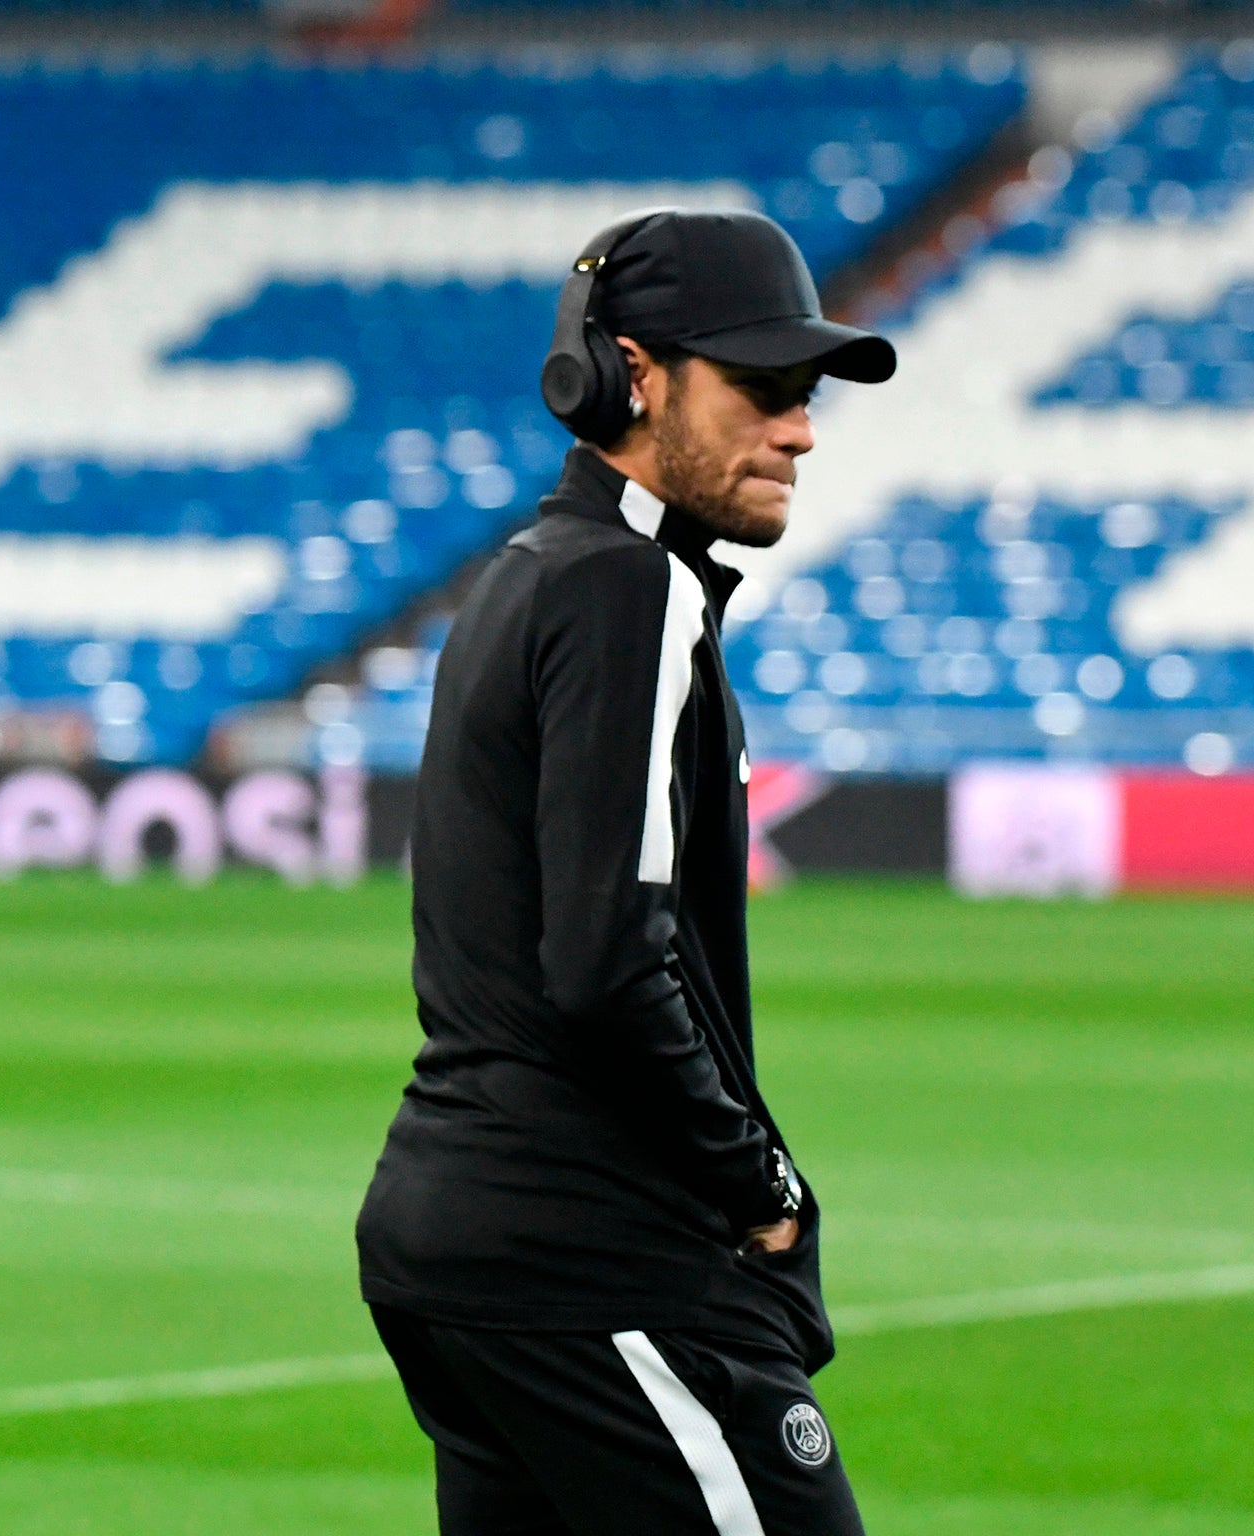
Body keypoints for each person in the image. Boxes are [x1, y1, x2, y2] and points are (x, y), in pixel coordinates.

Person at [357, 207, 897, 1536]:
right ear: (631, 375)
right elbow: (607, 962)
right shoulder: (627, 589)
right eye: (763, 388)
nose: (802, 429)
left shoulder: (526, 579)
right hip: (593, 1259)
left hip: (464, 1243)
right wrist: (759, 1181)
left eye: (807, 392)